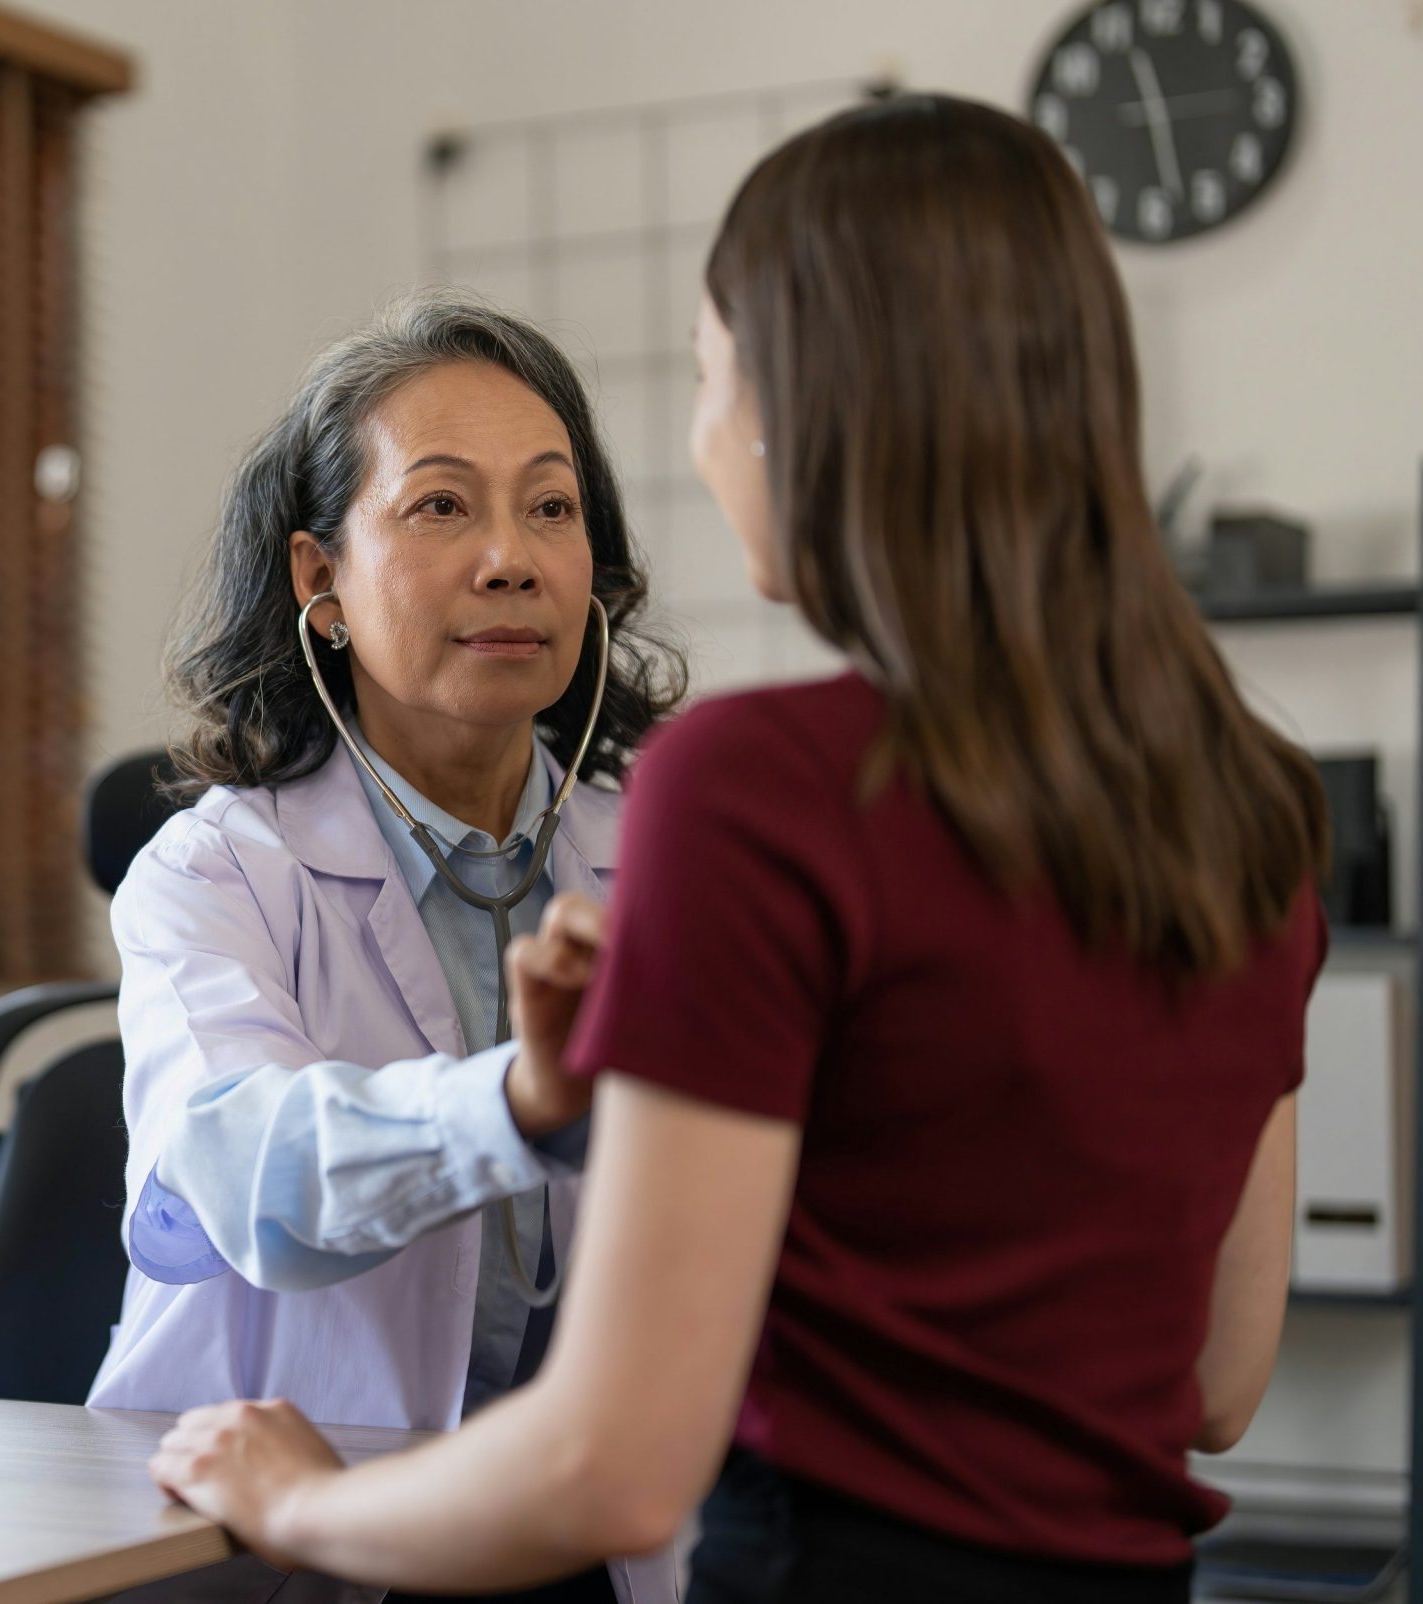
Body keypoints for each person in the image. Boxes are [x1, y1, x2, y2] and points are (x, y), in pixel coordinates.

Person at [146, 93, 1328, 1604]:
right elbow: (1219, 1380)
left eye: (709, 378)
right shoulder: (1257, 806)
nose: (700, 444)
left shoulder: (753, 793)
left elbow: (616, 1461)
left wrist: (304, 1506)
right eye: (442, 506)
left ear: (799, 406)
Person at [86, 291, 686, 1603]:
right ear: (322, 583)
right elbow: (248, 1176)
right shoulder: (215, 872)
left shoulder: (663, 864)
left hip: (568, 1537)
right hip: (261, 1545)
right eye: (440, 507)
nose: (512, 560)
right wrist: (515, 1104)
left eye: (551, 507)